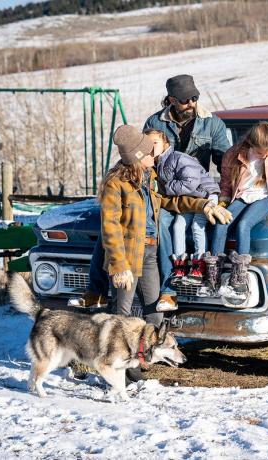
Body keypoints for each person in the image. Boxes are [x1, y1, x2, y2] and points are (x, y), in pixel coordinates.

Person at [73, 75, 231, 308]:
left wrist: (223, 195)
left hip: (190, 190)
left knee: (161, 223)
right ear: (171, 100)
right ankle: (96, 291)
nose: (192, 104)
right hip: (158, 188)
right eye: (186, 100)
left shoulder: (212, 123)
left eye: (195, 98)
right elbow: (141, 155)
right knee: (109, 227)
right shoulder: (155, 123)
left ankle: (168, 291)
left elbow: (224, 162)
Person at [98, 124, 231, 381]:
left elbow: (171, 201)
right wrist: (118, 265)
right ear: (138, 156)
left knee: (154, 310)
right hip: (127, 256)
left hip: (149, 251)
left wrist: (203, 205)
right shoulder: (116, 185)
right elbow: (110, 227)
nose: (154, 156)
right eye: (149, 152)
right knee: (122, 315)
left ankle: (143, 358)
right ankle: (120, 370)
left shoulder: (149, 177)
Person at [211, 121, 268, 296]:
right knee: (221, 222)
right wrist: (223, 200)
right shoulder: (234, 154)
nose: (266, 153)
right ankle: (214, 275)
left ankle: (240, 277)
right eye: (262, 150)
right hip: (242, 195)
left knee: (244, 224)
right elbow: (226, 181)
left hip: (266, 196)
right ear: (252, 143)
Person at [145, 129, 220, 305]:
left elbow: (190, 183)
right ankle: (179, 265)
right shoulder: (156, 164)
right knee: (178, 224)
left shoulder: (178, 158)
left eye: (155, 142)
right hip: (188, 200)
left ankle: (199, 265)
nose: (152, 147)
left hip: (205, 195)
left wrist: (164, 188)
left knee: (197, 226)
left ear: (165, 144)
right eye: (148, 144)